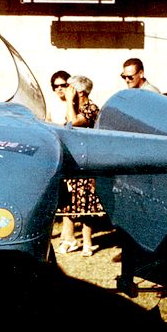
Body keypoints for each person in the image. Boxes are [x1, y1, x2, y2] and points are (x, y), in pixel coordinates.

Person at [55, 75, 106, 257]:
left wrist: (69, 101)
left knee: (86, 203)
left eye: (70, 88)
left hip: (87, 164)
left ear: (80, 91)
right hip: (75, 164)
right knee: (71, 203)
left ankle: (88, 243)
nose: (66, 91)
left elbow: (72, 124)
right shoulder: (75, 108)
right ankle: (71, 239)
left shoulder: (91, 108)